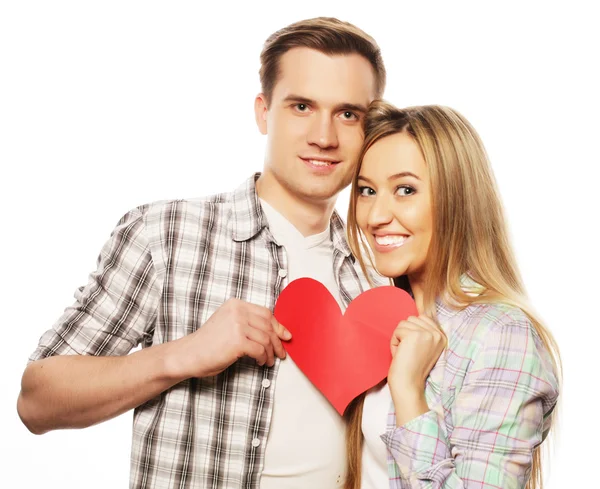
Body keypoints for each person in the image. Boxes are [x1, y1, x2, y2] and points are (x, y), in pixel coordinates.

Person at [17, 17, 386, 489]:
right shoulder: (164, 234)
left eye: (348, 114)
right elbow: (36, 401)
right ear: (263, 112)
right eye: (301, 106)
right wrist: (182, 355)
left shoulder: (382, 270)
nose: (324, 136)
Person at [344, 101, 561, 489]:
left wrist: (409, 391)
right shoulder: (383, 316)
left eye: (405, 190)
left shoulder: (501, 334)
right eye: (366, 190)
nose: (375, 215)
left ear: (456, 198)